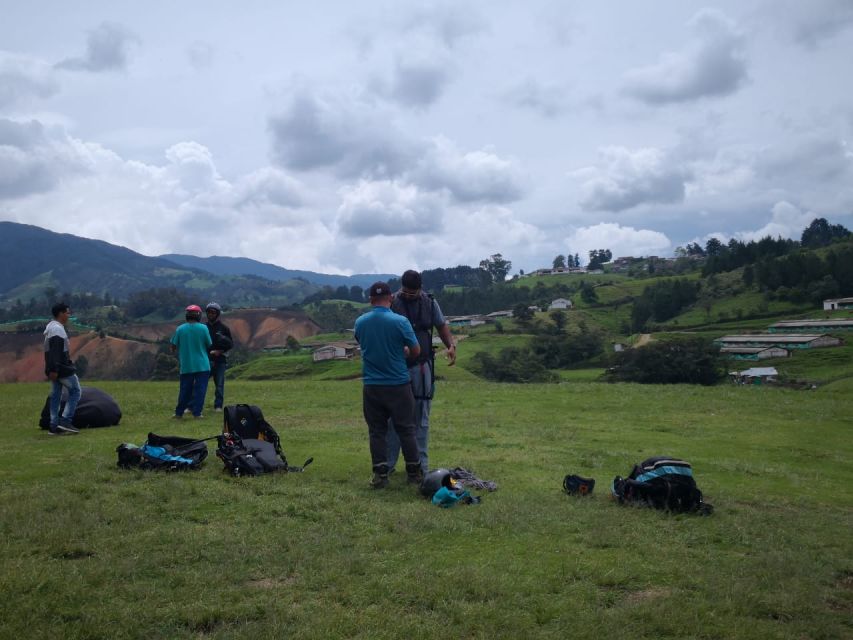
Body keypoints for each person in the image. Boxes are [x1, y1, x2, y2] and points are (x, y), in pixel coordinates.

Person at [354, 281, 424, 489]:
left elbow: (362, 343)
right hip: (398, 384)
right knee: (406, 429)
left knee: (377, 431)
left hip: (372, 385)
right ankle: (414, 473)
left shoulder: (360, 322)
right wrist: (402, 352)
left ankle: (380, 475)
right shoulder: (400, 322)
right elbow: (416, 351)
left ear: (370, 300)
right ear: (391, 298)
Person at [386, 269, 456, 473]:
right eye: (406, 292)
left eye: (413, 292)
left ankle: (420, 468)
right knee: (393, 418)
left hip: (423, 366)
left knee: (421, 417)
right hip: (396, 367)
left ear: (421, 288)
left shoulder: (430, 302)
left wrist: (450, 345)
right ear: (401, 288)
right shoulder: (391, 302)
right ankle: (388, 466)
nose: (409, 296)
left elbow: (441, 326)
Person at [43, 302, 81, 435]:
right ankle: (65, 420)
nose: (69, 315)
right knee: (76, 391)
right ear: (61, 314)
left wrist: (51, 369)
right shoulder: (57, 330)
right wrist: (55, 369)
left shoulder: (50, 328)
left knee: (56, 396)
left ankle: (54, 426)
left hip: (54, 368)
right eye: (67, 312)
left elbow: (50, 352)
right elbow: (56, 351)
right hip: (62, 368)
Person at [170, 304, 212, 419]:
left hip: (187, 365)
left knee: (185, 390)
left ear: (186, 315)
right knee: (200, 390)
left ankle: (179, 413)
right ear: (199, 316)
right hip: (202, 365)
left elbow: (173, 346)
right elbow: (209, 344)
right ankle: (197, 413)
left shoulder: (180, 329)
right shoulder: (203, 328)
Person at [204, 302, 233, 412]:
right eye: (209, 312)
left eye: (213, 312)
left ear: (217, 314)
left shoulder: (224, 328)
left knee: (219, 385)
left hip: (220, 360)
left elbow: (231, 344)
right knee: (200, 384)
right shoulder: (203, 327)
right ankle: (193, 405)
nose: (211, 314)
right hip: (205, 360)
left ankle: (218, 406)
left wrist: (220, 351)